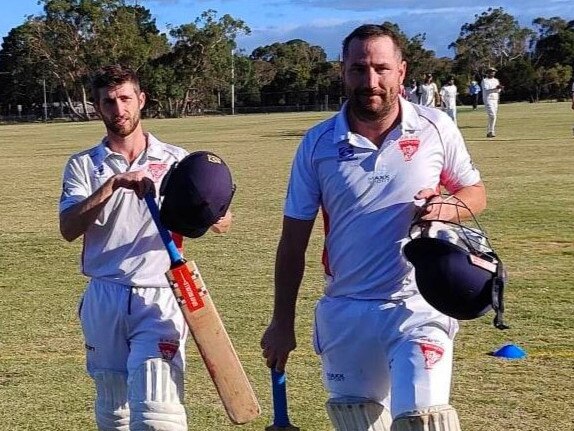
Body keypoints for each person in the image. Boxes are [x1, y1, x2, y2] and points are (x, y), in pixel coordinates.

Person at [260, 24, 486, 431]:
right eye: (358, 69)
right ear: (342, 71)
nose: (371, 81)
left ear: (402, 71)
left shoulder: (435, 127)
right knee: (357, 421)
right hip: (347, 310)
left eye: (381, 68)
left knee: (425, 421)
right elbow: (292, 243)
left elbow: (475, 192)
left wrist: (445, 208)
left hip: (417, 305)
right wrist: (281, 322)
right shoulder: (317, 144)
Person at [59, 64, 232, 431]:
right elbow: (69, 228)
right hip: (104, 293)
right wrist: (113, 185)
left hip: (161, 294)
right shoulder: (83, 165)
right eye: (108, 101)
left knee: (158, 411)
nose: (118, 109)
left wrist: (205, 209)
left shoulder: (175, 159)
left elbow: (222, 222)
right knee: (114, 407)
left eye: (124, 98)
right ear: (97, 107)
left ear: (141, 100)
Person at [481, 67, 503, 137]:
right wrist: (496, 88)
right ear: (488, 72)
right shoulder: (485, 81)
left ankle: (490, 131)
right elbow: (487, 90)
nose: (492, 73)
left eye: (493, 72)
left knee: (494, 116)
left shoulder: (496, 80)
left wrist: (499, 88)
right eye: (491, 72)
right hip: (488, 99)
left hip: (495, 99)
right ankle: (491, 131)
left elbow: (498, 91)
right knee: (492, 115)